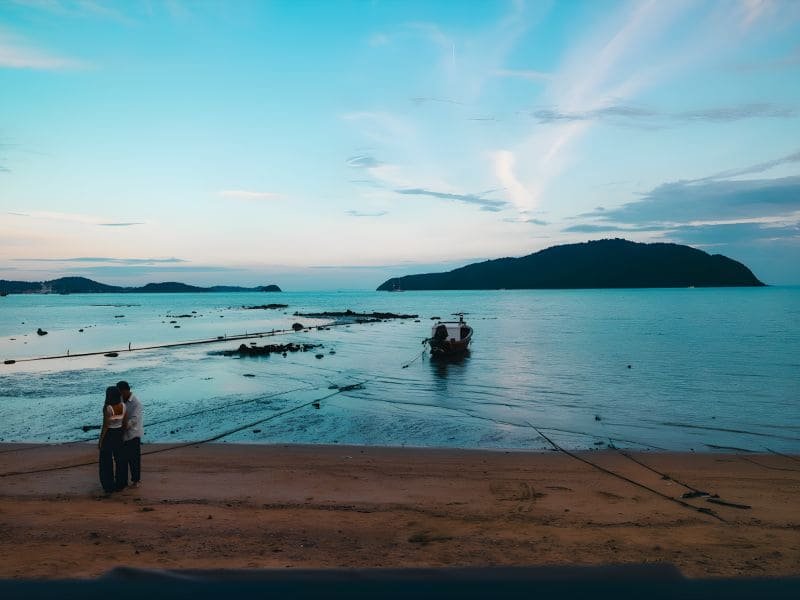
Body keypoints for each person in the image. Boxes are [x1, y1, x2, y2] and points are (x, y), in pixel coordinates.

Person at [98, 386, 126, 494]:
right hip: (118, 433)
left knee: (106, 461)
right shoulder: (123, 406)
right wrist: (123, 434)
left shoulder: (108, 408)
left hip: (109, 434)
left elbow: (105, 426)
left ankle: (108, 485)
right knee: (120, 460)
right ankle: (121, 483)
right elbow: (124, 421)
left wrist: (100, 440)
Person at [118, 380, 143, 488]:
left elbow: (134, 420)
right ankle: (123, 481)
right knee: (122, 459)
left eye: (121, 392)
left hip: (133, 434)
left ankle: (135, 481)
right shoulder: (119, 400)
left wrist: (122, 427)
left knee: (134, 459)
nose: (120, 395)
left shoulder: (136, 403)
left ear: (127, 390)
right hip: (122, 434)